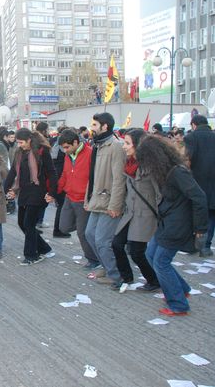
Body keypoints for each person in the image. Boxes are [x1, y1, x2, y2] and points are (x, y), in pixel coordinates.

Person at [136, 135, 208, 316]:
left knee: (161, 262)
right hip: (166, 222)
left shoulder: (178, 172)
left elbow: (199, 198)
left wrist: (200, 229)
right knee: (150, 255)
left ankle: (178, 304)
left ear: (154, 157)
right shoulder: (164, 171)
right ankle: (181, 289)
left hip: (178, 225)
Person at [111, 129, 161, 292]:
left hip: (145, 215)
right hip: (130, 213)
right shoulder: (129, 163)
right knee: (117, 244)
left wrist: (161, 215)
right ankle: (126, 278)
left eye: (127, 143)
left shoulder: (151, 166)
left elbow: (160, 193)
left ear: (138, 145)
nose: (124, 146)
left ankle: (153, 280)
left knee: (137, 252)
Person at [84, 112, 126, 286]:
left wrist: (115, 205)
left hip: (109, 201)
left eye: (94, 125)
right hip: (97, 199)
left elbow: (119, 179)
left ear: (105, 126)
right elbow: (93, 175)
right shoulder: (98, 145)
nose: (91, 128)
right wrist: (88, 199)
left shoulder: (115, 146)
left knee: (102, 240)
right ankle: (106, 265)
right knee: (89, 234)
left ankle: (116, 275)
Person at [5, 128, 57, 265]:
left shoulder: (42, 151)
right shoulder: (19, 153)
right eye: (18, 142)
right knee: (22, 223)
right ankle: (44, 248)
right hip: (24, 191)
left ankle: (31, 255)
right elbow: (12, 172)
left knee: (29, 223)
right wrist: (4, 190)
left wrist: (52, 192)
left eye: (21, 142)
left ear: (29, 140)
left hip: (38, 191)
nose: (19, 145)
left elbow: (52, 172)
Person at [57, 129, 100, 269]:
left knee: (82, 233)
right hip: (69, 196)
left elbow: (95, 178)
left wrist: (91, 197)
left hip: (83, 199)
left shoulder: (90, 154)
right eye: (63, 148)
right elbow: (64, 174)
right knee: (63, 227)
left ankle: (93, 259)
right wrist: (55, 192)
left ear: (75, 142)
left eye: (67, 147)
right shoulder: (68, 156)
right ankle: (89, 226)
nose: (65, 150)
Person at [183, 114, 215, 257]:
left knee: (195, 213)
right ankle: (206, 246)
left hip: (196, 182)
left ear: (194, 125)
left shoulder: (191, 137)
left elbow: (188, 159)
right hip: (213, 183)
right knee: (212, 215)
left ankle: (194, 245)